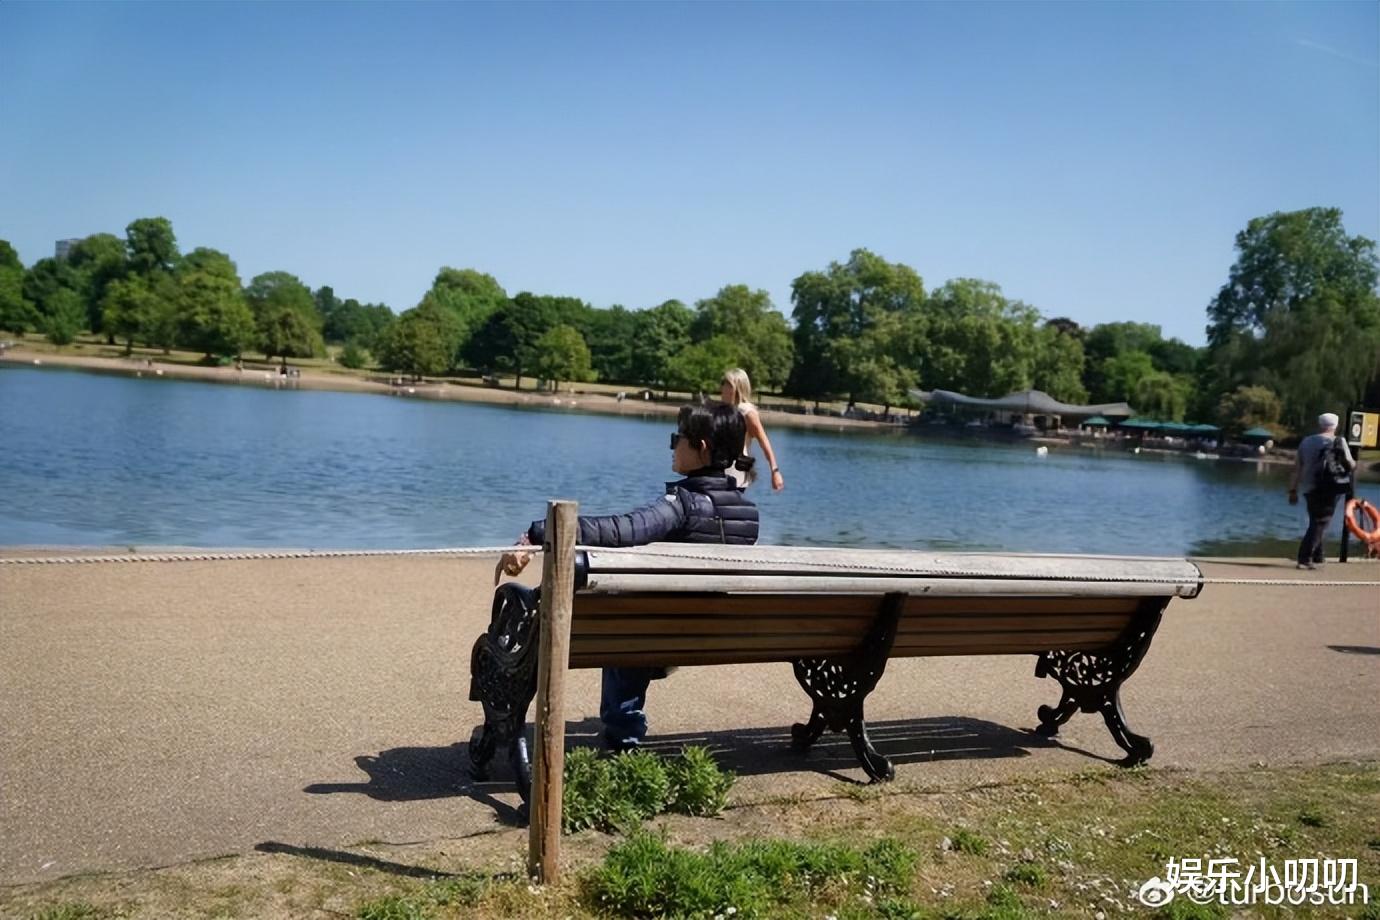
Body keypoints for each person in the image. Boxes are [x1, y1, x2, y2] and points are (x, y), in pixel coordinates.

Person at [495, 402, 758, 750]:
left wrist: (537, 533)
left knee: (626, 624)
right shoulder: (749, 516)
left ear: (702, 447)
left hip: (651, 636)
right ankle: (624, 729)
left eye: (677, 438)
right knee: (639, 619)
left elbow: (619, 530)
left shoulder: (682, 504)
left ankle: (624, 736)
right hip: (707, 635)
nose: (672, 445)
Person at [1288, 412, 1355, 569]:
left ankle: (1318, 555)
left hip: (1309, 487)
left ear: (1320, 424)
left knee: (1315, 520)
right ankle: (1305, 558)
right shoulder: (1339, 441)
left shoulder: (1306, 442)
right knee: (1321, 522)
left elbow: (1297, 468)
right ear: (1335, 425)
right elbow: (1350, 464)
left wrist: (1292, 489)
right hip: (1331, 487)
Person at [719, 368, 785, 491]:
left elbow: (764, 441)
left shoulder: (747, 412)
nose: (722, 388)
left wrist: (774, 471)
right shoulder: (722, 410)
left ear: (736, 388)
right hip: (717, 470)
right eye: (723, 383)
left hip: (735, 472)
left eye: (726, 384)